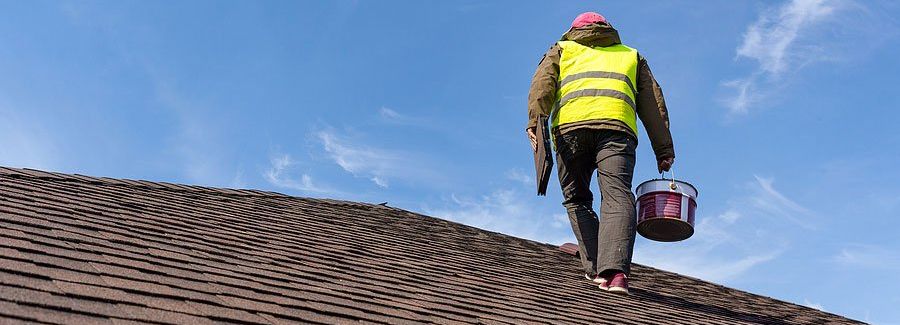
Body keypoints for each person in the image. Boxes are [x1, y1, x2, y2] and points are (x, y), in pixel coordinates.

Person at [526, 12, 675, 295]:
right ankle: (616, 273)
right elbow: (653, 105)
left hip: (570, 132)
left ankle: (595, 268)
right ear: (608, 30)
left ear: (574, 30)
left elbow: (541, 87)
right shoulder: (631, 56)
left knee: (577, 199)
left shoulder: (562, 48)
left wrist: (535, 122)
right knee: (618, 195)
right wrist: (663, 150)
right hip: (617, 132)